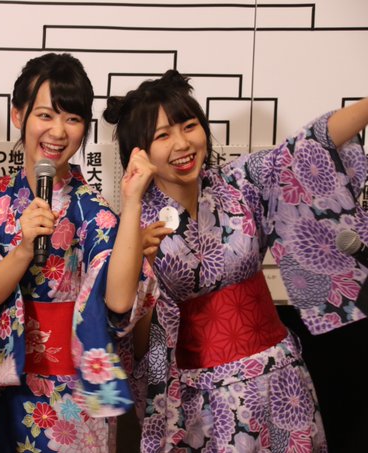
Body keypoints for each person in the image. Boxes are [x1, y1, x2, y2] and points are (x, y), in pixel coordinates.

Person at [103, 70, 368, 452]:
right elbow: (122, 316)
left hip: (277, 375)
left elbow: (308, 146)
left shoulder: (240, 181)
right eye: (163, 135)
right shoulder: (134, 221)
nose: (182, 143)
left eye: (189, 126)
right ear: (138, 152)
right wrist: (135, 222)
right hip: (195, 398)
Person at [0, 52, 151, 452]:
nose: (58, 132)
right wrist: (23, 251)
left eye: (73, 119)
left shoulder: (97, 212)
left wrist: (132, 202)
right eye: (45, 115)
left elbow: (118, 304)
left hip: (73, 399)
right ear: (18, 115)